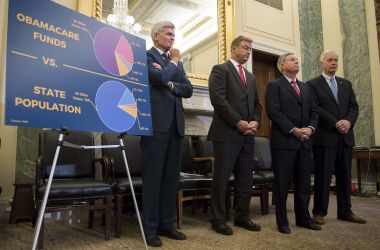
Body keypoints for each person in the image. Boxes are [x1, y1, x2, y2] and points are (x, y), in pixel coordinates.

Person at [141, 21, 193, 247]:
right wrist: (172, 65)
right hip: (155, 126)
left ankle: (167, 224)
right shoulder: (147, 57)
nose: (173, 38)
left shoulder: (175, 63)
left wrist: (171, 84)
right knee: (153, 180)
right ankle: (150, 229)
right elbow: (159, 79)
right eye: (169, 34)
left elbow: (188, 89)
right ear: (155, 36)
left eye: (174, 34)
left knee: (171, 179)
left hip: (176, 126)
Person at [208, 36, 262, 235]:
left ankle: (242, 216)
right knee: (221, 179)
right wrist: (237, 122)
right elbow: (218, 100)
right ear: (234, 49)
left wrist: (256, 121)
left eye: (250, 49)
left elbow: (257, 104)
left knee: (245, 178)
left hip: (248, 135)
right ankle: (218, 219)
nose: (248, 52)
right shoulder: (220, 70)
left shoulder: (251, 77)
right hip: (226, 133)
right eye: (245, 48)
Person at [307, 50, 366, 225]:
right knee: (323, 176)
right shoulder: (312, 84)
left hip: (345, 136)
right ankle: (319, 212)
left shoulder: (346, 84)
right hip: (326, 137)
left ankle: (345, 211)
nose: (334, 63)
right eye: (330, 60)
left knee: (345, 175)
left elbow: (354, 107)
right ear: (322, 63)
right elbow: (315, 108)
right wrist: (335, 123)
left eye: (336, 60)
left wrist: (348, 122)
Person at [265, 52, 320, 234]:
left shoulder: (306, 87)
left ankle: (303, 218)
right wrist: (294, 130)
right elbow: (274, 112)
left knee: (304, 184)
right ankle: (282, 222)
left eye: (297, 59)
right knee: (282, 184)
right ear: (282, 66)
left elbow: (314, 112)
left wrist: (310, 129)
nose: (296, 61)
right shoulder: (274, 85)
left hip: (304, 141)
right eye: (291, 59)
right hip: (285, 142)